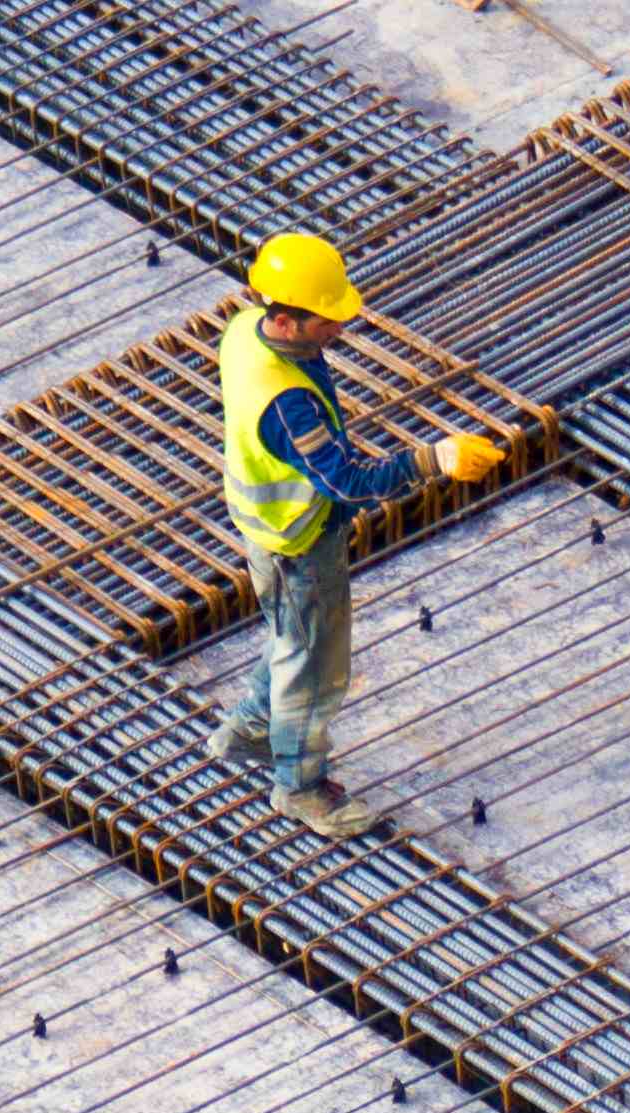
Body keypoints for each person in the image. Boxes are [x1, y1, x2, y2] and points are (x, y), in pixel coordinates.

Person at [214, 232, 506, 839]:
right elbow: (347, 481)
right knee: (315, 666)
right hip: (299, 541)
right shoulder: (286, 404)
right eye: (328, 319)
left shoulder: (245, 330)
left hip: (264, 530)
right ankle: (299, 787)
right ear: (290, 320)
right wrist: (436, 459)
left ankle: (250, 726)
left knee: (288, 635)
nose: (339, 328)